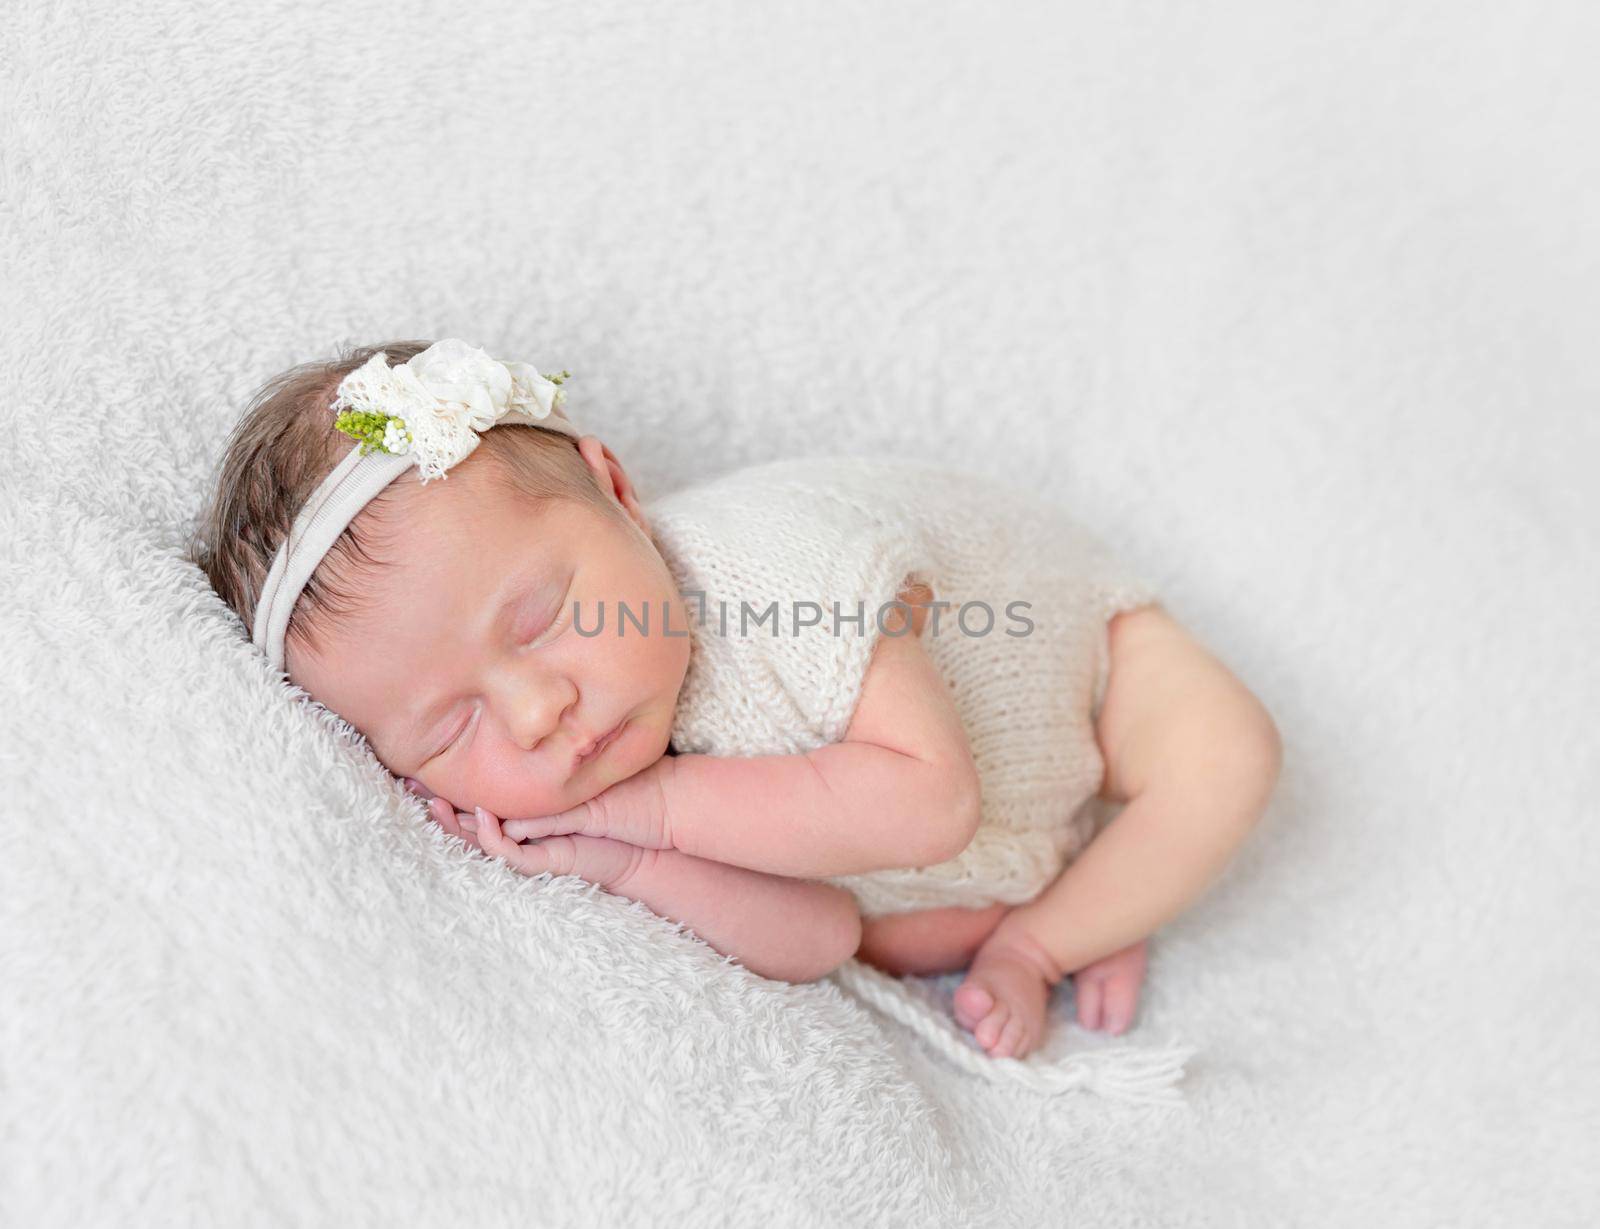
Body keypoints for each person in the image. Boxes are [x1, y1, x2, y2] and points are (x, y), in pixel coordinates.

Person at [192, 337, 1280, 1061]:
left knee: (1225, 754)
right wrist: (621, 863)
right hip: (964, 851)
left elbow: (927, 805)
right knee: (899, 941)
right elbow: (819, 934)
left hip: (1084, 669)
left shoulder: (776, 571)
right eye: (449, 724)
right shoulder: (606, 772)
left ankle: (1049, 934)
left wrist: (651, 813)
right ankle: (1093, 894)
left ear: (615, 488)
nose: (536, 712)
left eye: (538, 618)